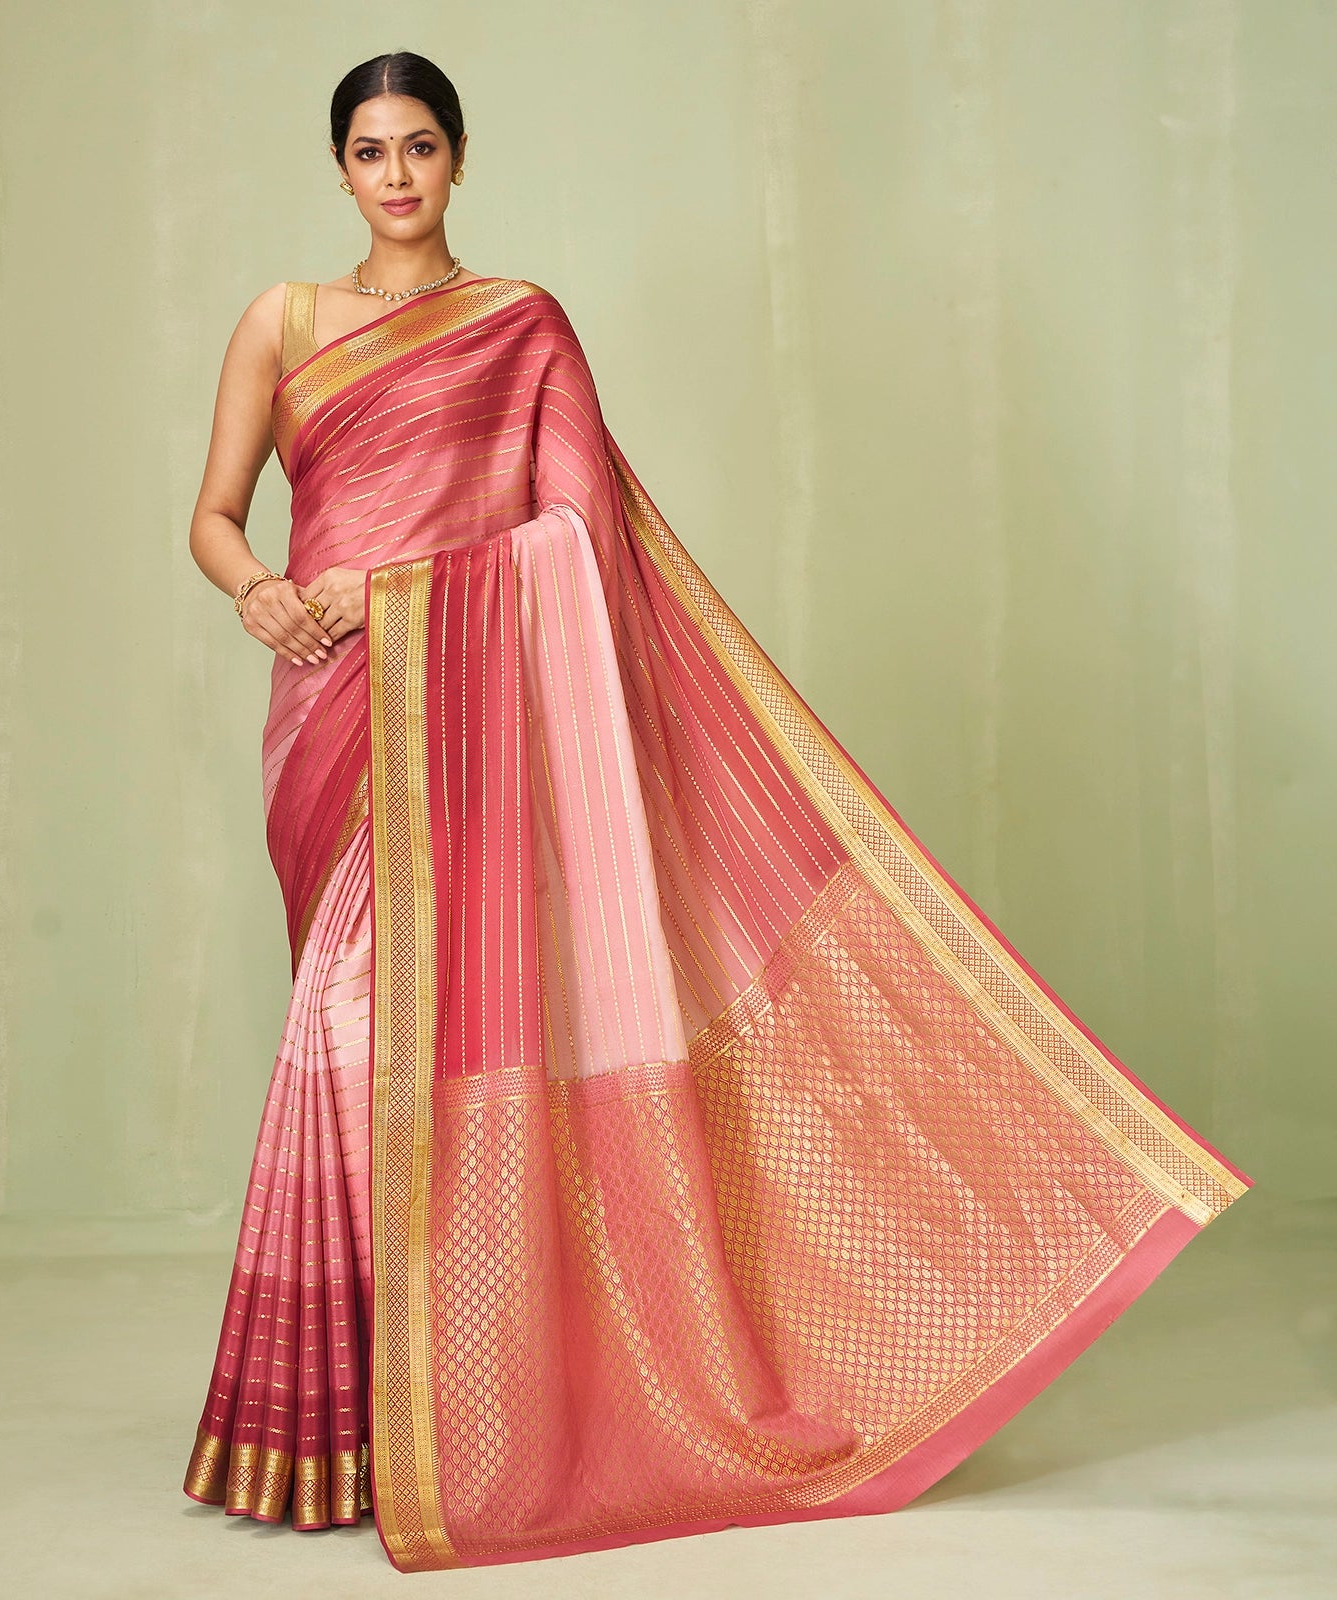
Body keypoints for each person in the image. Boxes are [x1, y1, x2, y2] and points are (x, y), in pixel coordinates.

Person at [181, 48, 1252, 1576]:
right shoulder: (282, 321)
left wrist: (398, 592)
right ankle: (338, 1420)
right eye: (370, 150)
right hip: (328, 719)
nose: (396, 175)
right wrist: (262, 593)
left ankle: (435, 1418)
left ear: (460, 159)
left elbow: (579, 536)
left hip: (460, 717)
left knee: (407, 1035)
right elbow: (216, 517)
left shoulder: (520, 324)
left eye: (420, 146)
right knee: (350, 1035)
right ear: (339, 166)